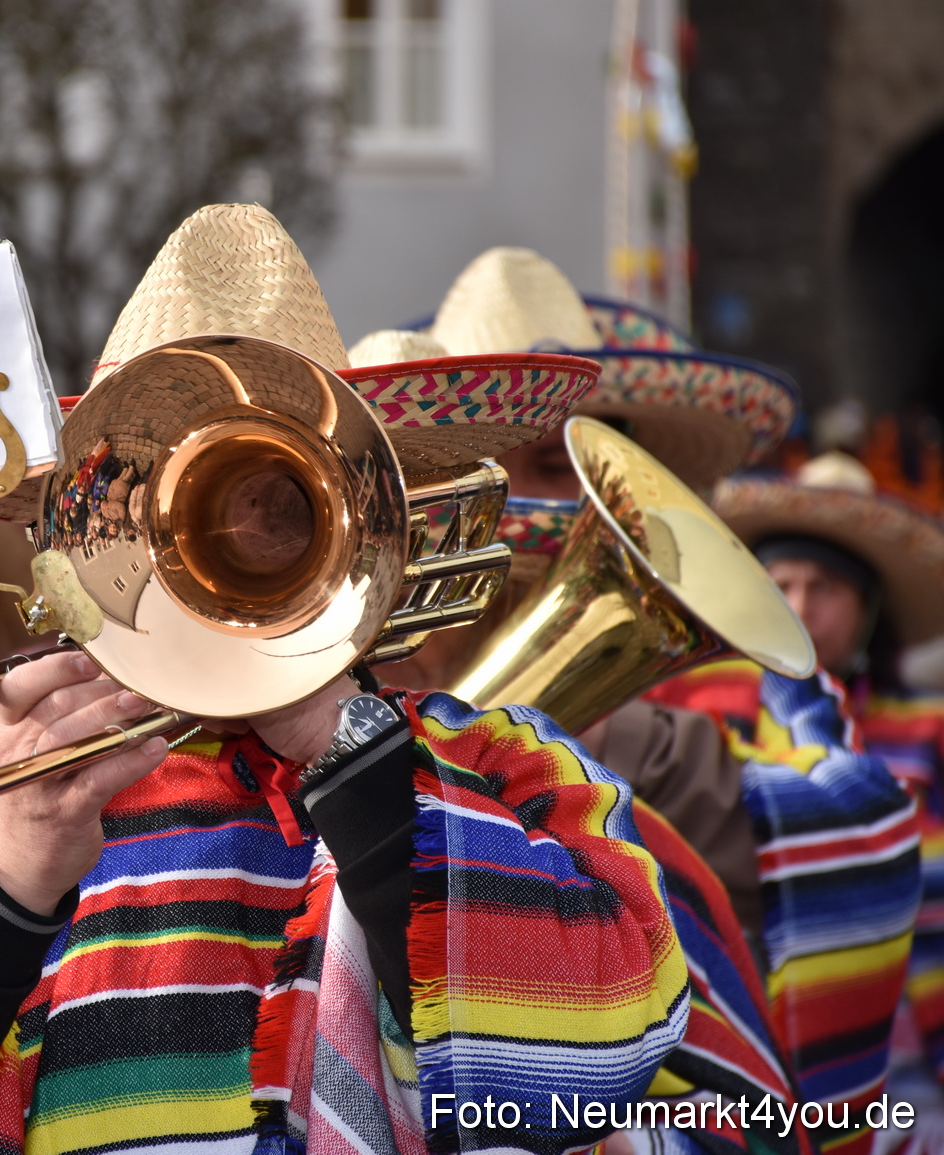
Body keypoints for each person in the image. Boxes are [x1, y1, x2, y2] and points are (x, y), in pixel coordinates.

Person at [0, 205, 691, 1155]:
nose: (232, 548)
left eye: (283, 512)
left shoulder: (500, 765)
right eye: (153, 503)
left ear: (376, 518)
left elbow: (592, 1066)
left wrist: (351, 750)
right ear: (72, 535)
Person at [352, 248, 920, 1153]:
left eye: (590, 456)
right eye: (544, 460)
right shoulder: (356, 652)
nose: (578, 497)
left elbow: (861, 821)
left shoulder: (700, 680)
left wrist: (608, 745)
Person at [695, 453, 944, 1141]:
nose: (801, 608)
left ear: (867, 608)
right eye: (782, 585)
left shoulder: (927, 730)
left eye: (825, 586)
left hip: (911, 1053)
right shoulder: (713, 722)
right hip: (765, 1047)